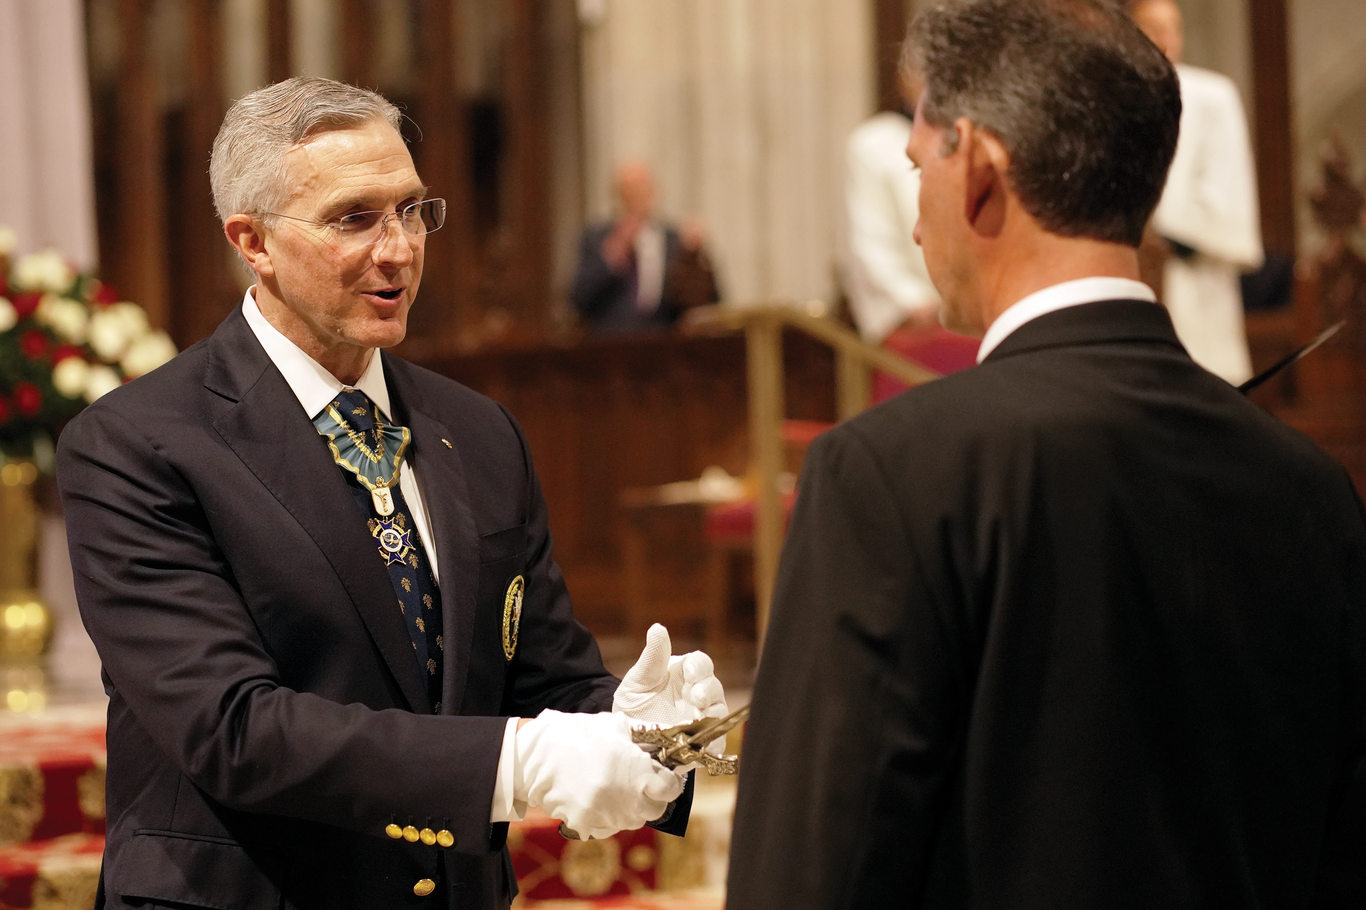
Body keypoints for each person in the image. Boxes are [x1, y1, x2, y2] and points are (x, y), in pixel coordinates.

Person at [727, 2, 1366, 908]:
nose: (915, 225)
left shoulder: (888, 476)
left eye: (918, 166)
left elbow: (806, 877)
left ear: (978, 169)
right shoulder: (1311, 490)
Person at [57, 77, 727, 910]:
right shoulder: (139, 443)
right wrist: (518, 763)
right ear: (253, 241)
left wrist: (638, 731)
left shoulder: (478, 431)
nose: (400, 249)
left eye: (411, 211)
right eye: (354, 218)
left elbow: (543, 676)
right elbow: (232, 728)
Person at [1130, 0, 1263, 385]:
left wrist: (1161, 227)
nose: (1165, 37)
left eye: (1173, 27)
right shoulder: (1114, 95)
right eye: (1152, 27)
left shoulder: (1211, 96)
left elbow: (1229, 193)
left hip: (1193, 276)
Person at [842, 72, 979, 400]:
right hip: (919, 323)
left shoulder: (977, 137)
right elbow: (870, 244)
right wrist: (917, 304)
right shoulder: (875, 142)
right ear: (906, 80)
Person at [569, 161, 720, 334]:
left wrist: (695, 257)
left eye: (642, 189)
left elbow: (710, 301)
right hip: (611, 340)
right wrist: (611, 258)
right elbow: (577, 298)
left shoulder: (676, 239)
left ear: (655, 191)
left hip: (664, 339)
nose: (636, 199)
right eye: (628, 192)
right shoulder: (597, 238)